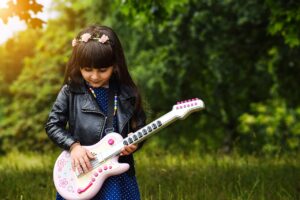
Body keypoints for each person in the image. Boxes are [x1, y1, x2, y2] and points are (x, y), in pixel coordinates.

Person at [45, 25, 146, 200]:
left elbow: (140, 126)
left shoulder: (127, 93)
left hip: (117, 172)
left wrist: (136, 142)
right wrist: (74, 146)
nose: (94, 76)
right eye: (87, 69)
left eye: (102, 70)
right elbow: (53, 125)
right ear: (78, 66)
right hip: (83, 169)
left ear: (115, 65)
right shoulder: (70, 91)